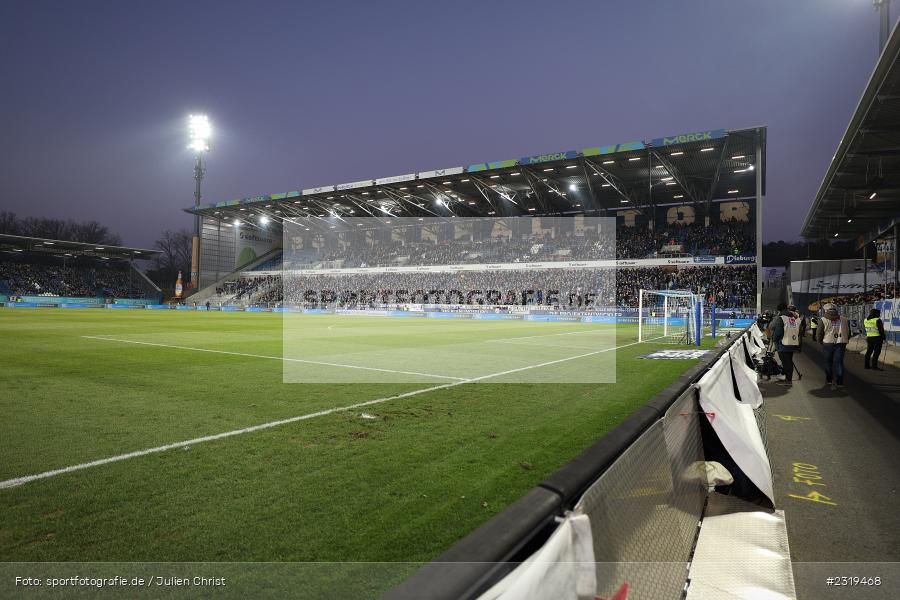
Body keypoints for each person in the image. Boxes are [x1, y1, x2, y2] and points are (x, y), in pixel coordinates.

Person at [817, 303, 851, 390]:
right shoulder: (844, 319)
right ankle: (840, 382)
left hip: (828, 343)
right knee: (839, 363)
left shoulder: (823, 319)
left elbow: (819, 333)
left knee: (828, 362)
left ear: (826, 310)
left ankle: (829, 380)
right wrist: (845, 340)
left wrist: (821, 342)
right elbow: (848, 332)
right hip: (841, 343)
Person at [770, 303, 801, 386]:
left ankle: (788, 380)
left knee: (786, 363)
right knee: (789, 362)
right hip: (792, 342)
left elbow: (778, 333)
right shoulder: (793, 318)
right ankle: (787, 379)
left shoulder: (782, 318)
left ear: (779, 310)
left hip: (784, 344)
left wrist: (774, 339)